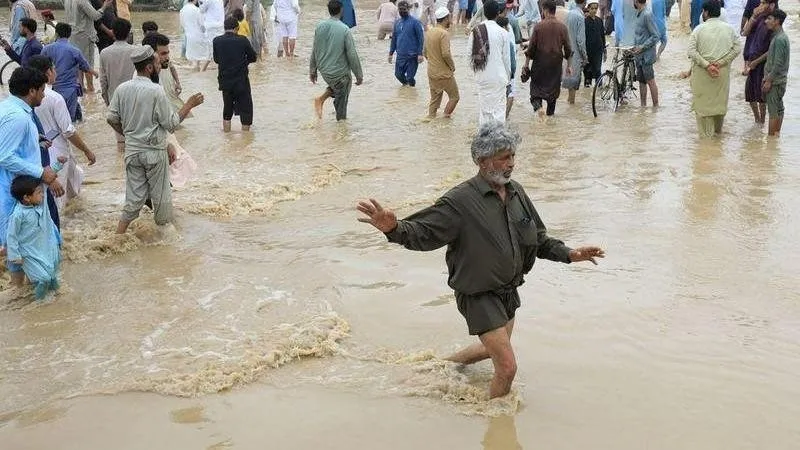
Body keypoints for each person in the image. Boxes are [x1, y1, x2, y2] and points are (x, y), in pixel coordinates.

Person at [356, 121, 605, 400]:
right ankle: (495, 425)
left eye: (512, 156)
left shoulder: (516, 193)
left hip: (508, 292)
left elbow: (537, 237)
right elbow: (423, 234)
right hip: (478, 295)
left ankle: (441, 366)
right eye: (503, 157)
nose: (511, 163)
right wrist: (393, 228)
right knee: (507, 367)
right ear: (482, 160)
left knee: (492, 349)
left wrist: (571, 254)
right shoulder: (459, 201)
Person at [107, 46, 204, 234]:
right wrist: (189, 104)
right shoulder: (156, 91)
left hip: (133, 152)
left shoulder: (122, 89)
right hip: (154, 153)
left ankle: (117, 237)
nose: (160, 67)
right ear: (149, 68)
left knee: (134, 199)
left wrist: (129, 136)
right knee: (162, 200)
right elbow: (172, 123)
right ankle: (167, 248)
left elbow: (111, 118)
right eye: (158, 64)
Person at [0, 68, 63, 289]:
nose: (44, 95)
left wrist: (34, 141)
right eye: (42, 90)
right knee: (19, 253)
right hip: (16, 194)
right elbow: (4, 155)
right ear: (31, 90)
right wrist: (41, 172)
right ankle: (18, 297)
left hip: (19, 191)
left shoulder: (9, 108)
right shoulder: (18, 117)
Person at [28, 55, 97, 213]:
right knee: (58, 200)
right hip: (58, 154)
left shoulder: (27, 96)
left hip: (42, 153)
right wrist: (87, 150)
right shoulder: (54, 98)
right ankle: (66, 230)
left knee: (74, 187)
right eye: (54, 68)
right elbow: (68, 131)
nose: (56, 71)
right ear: (48, 73)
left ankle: (77, 220)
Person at [687, 0, 741, 137]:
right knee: (719, 109)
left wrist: (707, 65)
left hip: (702, 76)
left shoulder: (698, 30)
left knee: (703, 114)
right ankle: (717, 148)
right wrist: (721, 63)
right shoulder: (729, 29)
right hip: (721, 75)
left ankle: (707, 150)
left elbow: (691, 52)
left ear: (706, 12)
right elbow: (737, 48)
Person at [6, 175, 62, 300]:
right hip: (28, 254)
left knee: (52, 277)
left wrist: (59, 164)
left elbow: (48, 180)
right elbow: (11, 236)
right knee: (44, 279)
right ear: (26, 197)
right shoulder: (18, 215)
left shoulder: (41, 206)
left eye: (42, 192)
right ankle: (39, 304)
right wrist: (15, 255)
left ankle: (57, 300)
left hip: (41, 249)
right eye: (39, 193)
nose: (42, 195)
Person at [310, 0, 364, 121]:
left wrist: (312, 70)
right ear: (341, 10)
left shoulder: (319, 27)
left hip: (325, 72)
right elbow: (352, 55)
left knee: (339, 88)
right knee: (342, 116)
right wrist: (359, 75)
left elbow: (314, 50)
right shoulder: (345, 29)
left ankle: (322, 100)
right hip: (340, 75)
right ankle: (340, 131)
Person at [41, 23, 100, 122]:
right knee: (70, 120)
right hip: (71, 90)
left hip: (55, 89)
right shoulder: (74, 50)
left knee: (60, 116)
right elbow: (85, 66)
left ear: (56, 34)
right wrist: (95, 73)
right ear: (69, 35)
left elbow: (39, 64)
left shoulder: (47, 49)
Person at [521, 0, 570, 117]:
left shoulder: (538, 26)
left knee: (535, 94)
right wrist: (569, 65)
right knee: (552, 96)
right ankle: (549, 118)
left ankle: (539, 109)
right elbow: (568, 49)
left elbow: (531, 48)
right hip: (555, 66)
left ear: (545, 10)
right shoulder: (563, 27)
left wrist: (526, 65)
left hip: (540, 65)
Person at [468, 0, 511, 126]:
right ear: (498, 13)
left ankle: (484, 138)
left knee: (485, 111)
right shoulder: (503, 32)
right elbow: (506, 59)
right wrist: (507, 78)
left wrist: (476, 73)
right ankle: (498, 141)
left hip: (482, 76)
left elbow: (469, 56)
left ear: (484, 13)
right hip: (499, 77)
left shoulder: (476, 31)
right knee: (498, 111)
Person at [213, 17, 258, 132]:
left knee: (227, 109)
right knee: (246, 109)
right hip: (241, 81)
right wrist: (244, 62)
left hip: (225, 81)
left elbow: (216, 60)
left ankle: (227, 136)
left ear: (224, 28)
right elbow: (253, 57)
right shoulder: (242, 40)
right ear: (237, 28)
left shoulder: (216, 41)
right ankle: (245, 139)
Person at [63, 0, 114, 93]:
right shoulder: (82, 1)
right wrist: (105, 6)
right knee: (87, 62)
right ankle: (91, 88)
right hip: (85, 35)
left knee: (78, 62)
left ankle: (81, 87)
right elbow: (95, 16)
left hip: (73, 34)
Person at [741, 0, 776, 125]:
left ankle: (762, 122)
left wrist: (756, 61)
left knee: (762, 97)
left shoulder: (774, 23)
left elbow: (772, 49)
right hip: (753, 61)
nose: (760, 6)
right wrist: (754, 16)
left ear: (771, 5)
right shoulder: (760, 18)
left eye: (763, 3)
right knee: (750, 94)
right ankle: (757, 120)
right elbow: (745, 32)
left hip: (764, 64)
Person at [424, 7, 459, 118]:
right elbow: (446, 54)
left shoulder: (429, 32)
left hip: (431, 72)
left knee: (434, 100)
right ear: (446, 18)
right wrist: (452, 66)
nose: (450, 20)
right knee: (454, 97)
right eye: (449, 18)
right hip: (444, 74)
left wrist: (433, 62)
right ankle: (445, 119)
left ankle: (431, 119)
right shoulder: (444, 33)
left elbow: (424, 52)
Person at [142, 32, 186, 118]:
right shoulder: (146, 85)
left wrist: (177, 83)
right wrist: (189, 105)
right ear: (151, 54)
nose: (167, 57)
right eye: (163, 54)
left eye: (167, 53)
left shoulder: (158, 72)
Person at [762, 9, 789, 136]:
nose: (766, 21)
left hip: (775, 82)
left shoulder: (779, 39)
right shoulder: (781, 37)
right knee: (779, 109)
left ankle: (771, 142)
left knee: (773, 112)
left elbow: (778, 63)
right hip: (780, 80)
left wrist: (768, 80)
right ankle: (776, 137)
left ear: (777, 21)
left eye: (769, 19)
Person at [99, 18, 136, 111]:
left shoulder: (104, 53)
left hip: (114, 100)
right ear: (128, 33)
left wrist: (106, 100)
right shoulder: (136, 51)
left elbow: (103, 80)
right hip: (133, 100)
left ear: (113, 32)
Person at [389, 1, 425, 87]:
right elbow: (394, 39)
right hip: (400, 55)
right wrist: (390, 53)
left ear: (408, 9)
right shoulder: (397, 23)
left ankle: (411, 90)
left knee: (410, 77)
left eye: (404, 9)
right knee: (398, 75)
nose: (402, 11)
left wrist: (420, 54)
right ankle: (407, 89)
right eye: (400, 9)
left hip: (412, 55)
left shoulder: (415, 22)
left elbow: (421, 38)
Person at [632, 0, 660, 108]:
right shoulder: (639, 14)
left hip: (646, 56)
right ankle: (643, 106)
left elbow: (656, 36)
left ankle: (655, 106)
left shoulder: (647, 14)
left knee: (650, 80)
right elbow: (639, 35)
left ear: (636, 1)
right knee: (641, 81)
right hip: (638, 56)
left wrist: (642, 47)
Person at [562, 0, 587, 104]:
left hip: (566, 52)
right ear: (585, 3)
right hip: (576, 54)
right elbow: (580, 40)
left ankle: (569, 103)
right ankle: (571, 104)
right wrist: (585, 56)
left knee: (569, 80)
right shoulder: (580, 17)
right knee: (574, 82)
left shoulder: (568, 14)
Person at [181, 0, 211, 71]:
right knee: (208, 55)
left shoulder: (182, 10)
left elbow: (182, 24)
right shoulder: (197, 10)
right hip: (199, 36)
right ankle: (200, 72)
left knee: (194, 60)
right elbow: (202, 25)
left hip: (189, 37)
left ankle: (194, 73)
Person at [584, 0, 605, 87]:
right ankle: (587, 91)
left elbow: (602, 36)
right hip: (588, 50)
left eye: (596, 8)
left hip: (598, 50)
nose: (594, 10)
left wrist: (605, 50)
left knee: (597, 69)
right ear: (588, 8)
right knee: (587, 71)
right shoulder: (584, 21)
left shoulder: (599, 21)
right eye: (592, 8)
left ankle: (599, 90)